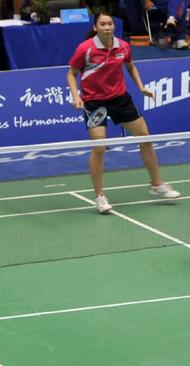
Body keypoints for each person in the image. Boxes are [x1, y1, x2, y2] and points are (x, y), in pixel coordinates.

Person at [66, 13, 181, 215]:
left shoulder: (123, 46)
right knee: (99, 147)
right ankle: (99, 196)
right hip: (95, 102)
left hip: (120, 99)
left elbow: (130, 67)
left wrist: (141, 87)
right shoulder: (86, 49)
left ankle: (156, 184)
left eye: (110, 24)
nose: (107, 27)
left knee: (145, 139)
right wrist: (76, 97)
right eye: (103, 24)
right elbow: (71, 73)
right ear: (96, 28)